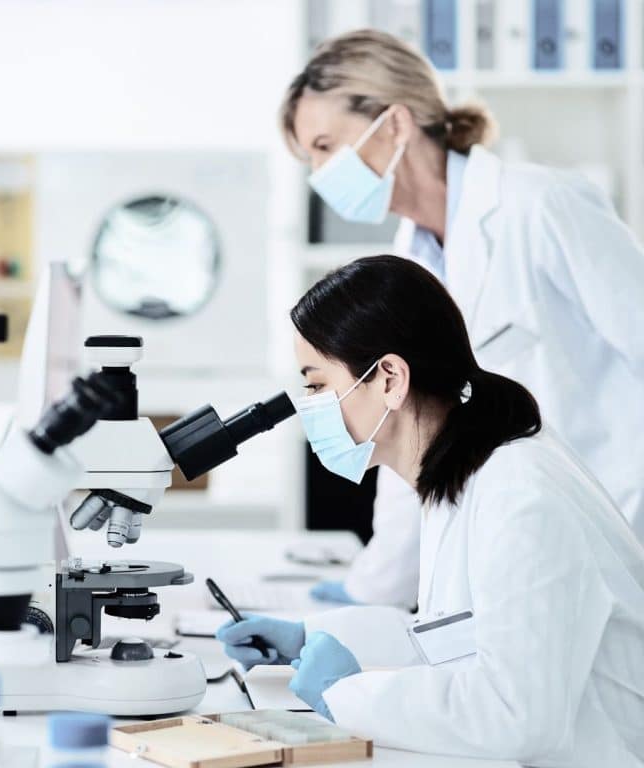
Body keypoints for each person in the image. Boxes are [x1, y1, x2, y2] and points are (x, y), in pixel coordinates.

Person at [217, 256, 644, 767]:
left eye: (315, 384)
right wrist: (313, 637)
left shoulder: (519, 499)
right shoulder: (461, 475)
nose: (309, 407)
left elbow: (517, 716)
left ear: (391, 378)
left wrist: (345, 693)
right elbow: (450, 639)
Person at [279, 29, 644, 607]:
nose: (319, 173)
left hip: (616, 528)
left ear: (394, 124)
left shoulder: (539, 204)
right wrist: (368, 594)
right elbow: (411, 438)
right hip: (520, 550)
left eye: (325, 146)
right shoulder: (406, 263)